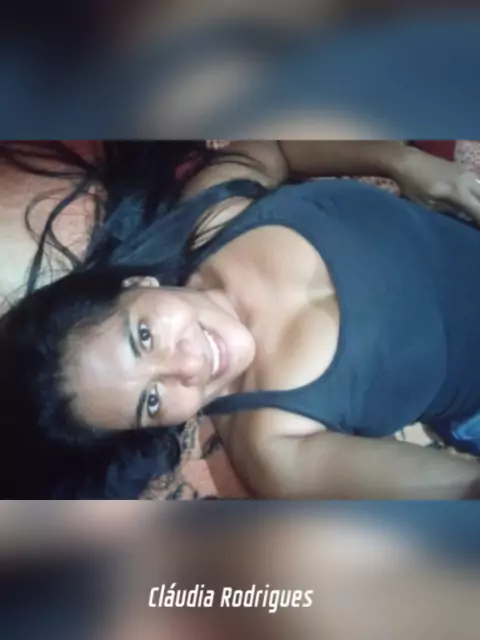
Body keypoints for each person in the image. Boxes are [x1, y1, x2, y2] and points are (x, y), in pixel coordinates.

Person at [1, 140, 480, 500]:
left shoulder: (213, 213)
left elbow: (276, 148)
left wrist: (401, 161)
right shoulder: (275, 451)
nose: (189, 367)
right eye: (152, 400)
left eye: (144, 336)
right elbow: (462, 489)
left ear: (137, 284)